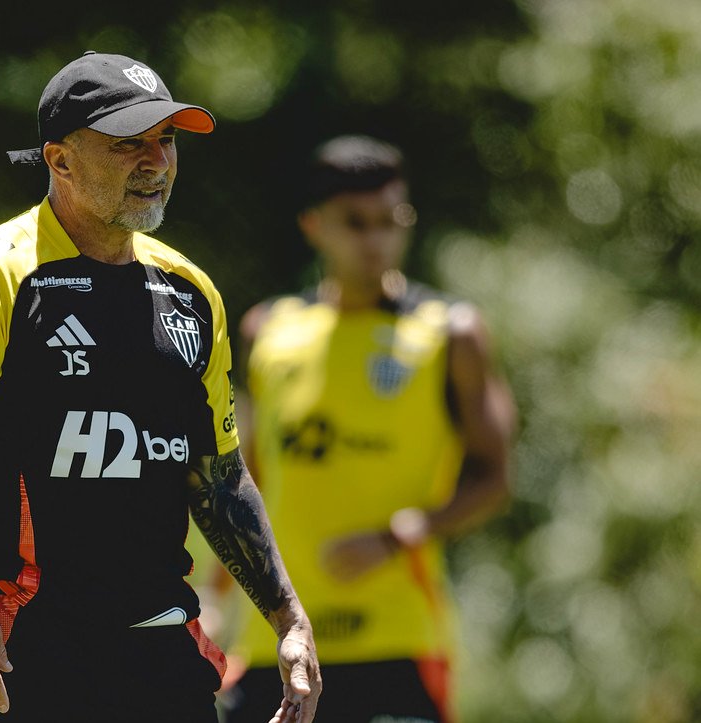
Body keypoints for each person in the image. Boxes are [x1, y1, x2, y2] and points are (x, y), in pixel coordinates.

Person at [0, 51, 322, 723]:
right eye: (127, 145)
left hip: (160, 648)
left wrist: (288, 617)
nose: (156, 161)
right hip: (27, 652)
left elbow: (219, 474)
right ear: (59, 160)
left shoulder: (191, 292)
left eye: (166, 140)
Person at [219, 136, 515, 723]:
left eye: (390, 220)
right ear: (313, 225)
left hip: (398, 640)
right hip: (275, 637)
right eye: (355, 223)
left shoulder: (450, 334)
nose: (374, 240)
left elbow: (495, 477)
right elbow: (243, 477)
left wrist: (397, 537)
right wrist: (217, 590)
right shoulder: (267, 330)